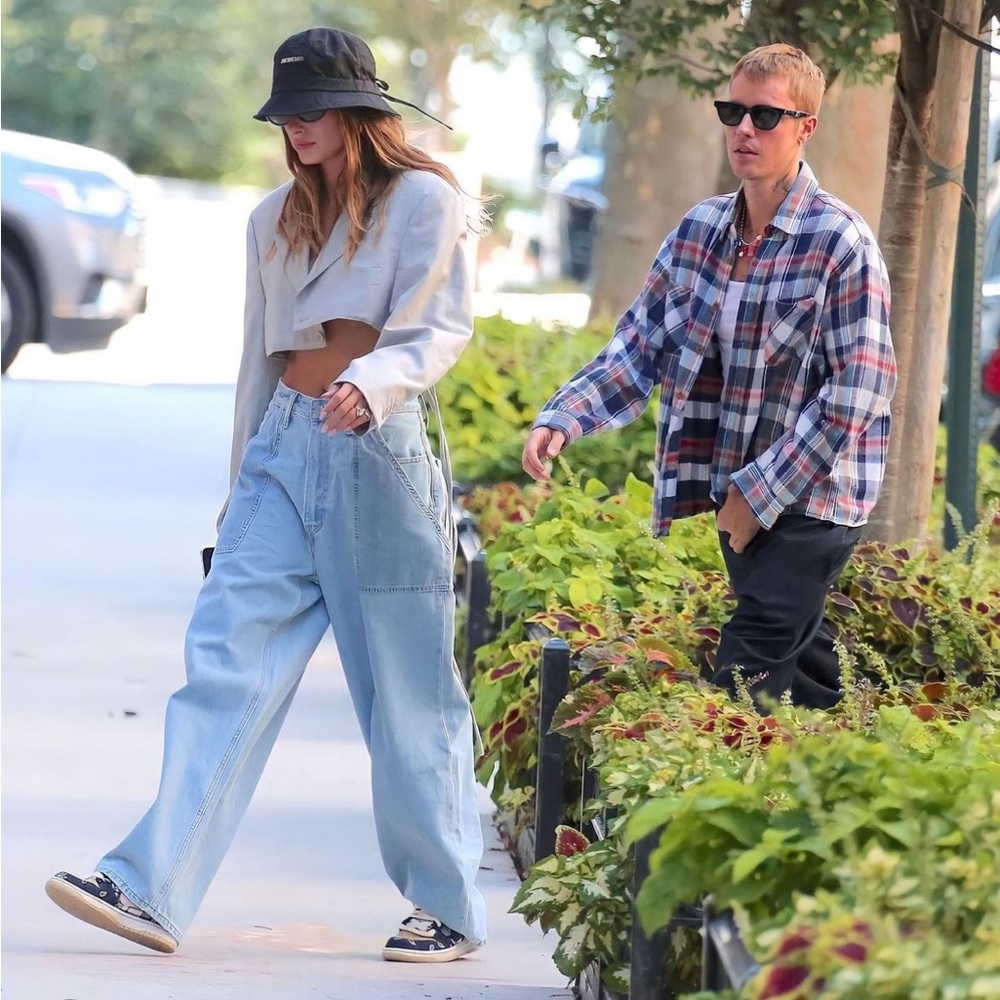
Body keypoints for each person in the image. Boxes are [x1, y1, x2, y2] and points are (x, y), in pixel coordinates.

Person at [45, 26, 487, 964]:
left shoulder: (425, 200)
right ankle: (148, 882)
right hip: (284, 454)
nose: (297, 130)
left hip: (378, 447)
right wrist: (236, 490)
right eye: (287, 114)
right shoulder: (269, 221)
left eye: (314, 110)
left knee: (407, 691)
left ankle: (444, 902)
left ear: (361, 112)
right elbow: (258, 360)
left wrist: (378, 385)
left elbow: (440, 329)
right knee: (223, 661)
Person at [522, 44, 897, 711]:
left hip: (813, 500)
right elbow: (641, 343)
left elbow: (859, 389)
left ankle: (701, 800)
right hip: (737, 496)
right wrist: (565, 415)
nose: (744, 129)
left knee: (742, 679)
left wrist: (758, 495)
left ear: (805, 126)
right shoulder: (700, 231)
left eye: (765, 115)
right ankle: (856, 780)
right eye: (733, 111)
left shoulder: (839, 241)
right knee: (807, 679)